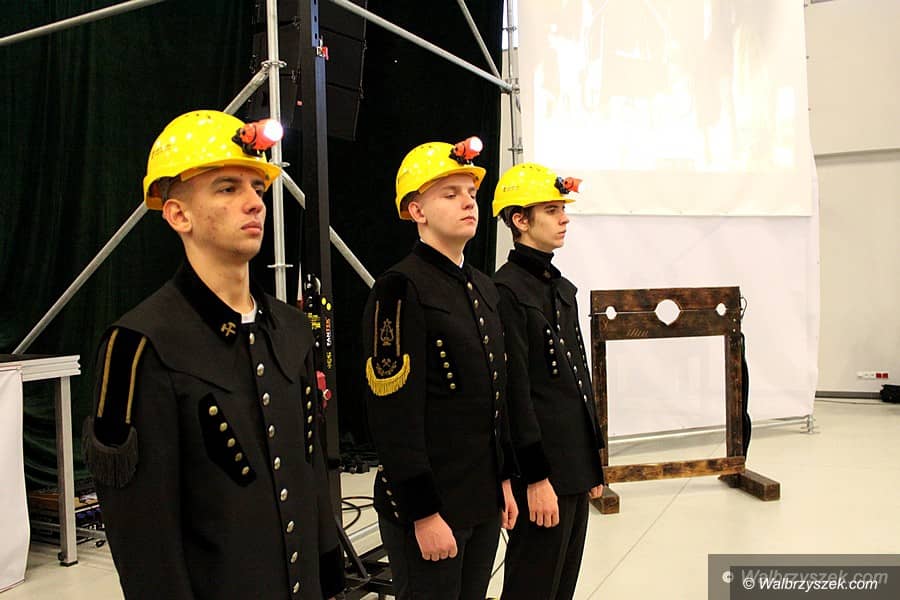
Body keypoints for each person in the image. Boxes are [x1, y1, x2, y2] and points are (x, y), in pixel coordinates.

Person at [82, 110, 344, 600]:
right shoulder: (141, 345)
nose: (254, 202)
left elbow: (309, 474)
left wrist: (328, 575)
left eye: (257, 188)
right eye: (227, 188)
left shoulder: (291, 331)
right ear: (178, 215)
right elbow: (143, 534)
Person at [362, 137, 518, 600]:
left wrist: (504, 481)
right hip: (431, 507)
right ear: (417, 211)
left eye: (470, 193)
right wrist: (423, 513)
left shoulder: (483, 288)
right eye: (450, 194)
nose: (468, 202)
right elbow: (392, 416)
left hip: (481, 499)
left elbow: (496, 398)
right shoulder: (399, 289)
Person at [492, 163, 605, 599]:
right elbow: (516, 395)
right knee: (533, 584)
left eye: (563, 209)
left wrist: (592, 461)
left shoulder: (560, 289)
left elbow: (578, 383)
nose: (565, 219)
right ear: (520, 220)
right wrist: (536, 479)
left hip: (573, 463)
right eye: (553, 210)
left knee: (562, 585)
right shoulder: (506, 292)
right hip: (541, 469)